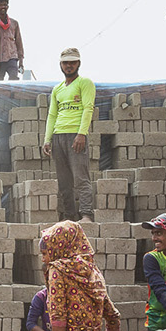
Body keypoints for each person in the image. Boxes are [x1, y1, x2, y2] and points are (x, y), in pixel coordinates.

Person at [43, 48, 95, 224]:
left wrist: (82, 133)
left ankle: (87, 215)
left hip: (76, 136)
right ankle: (69, 217)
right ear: (60, 65)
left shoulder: (84, 83)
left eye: (73, 62)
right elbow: (52, 115)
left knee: (81, 178)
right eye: (66, 63)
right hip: (58, 137)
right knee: (64, 182)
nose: (69, 66)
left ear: (79, 63)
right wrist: (47, 139)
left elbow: (88, 108)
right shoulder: (57, 89)